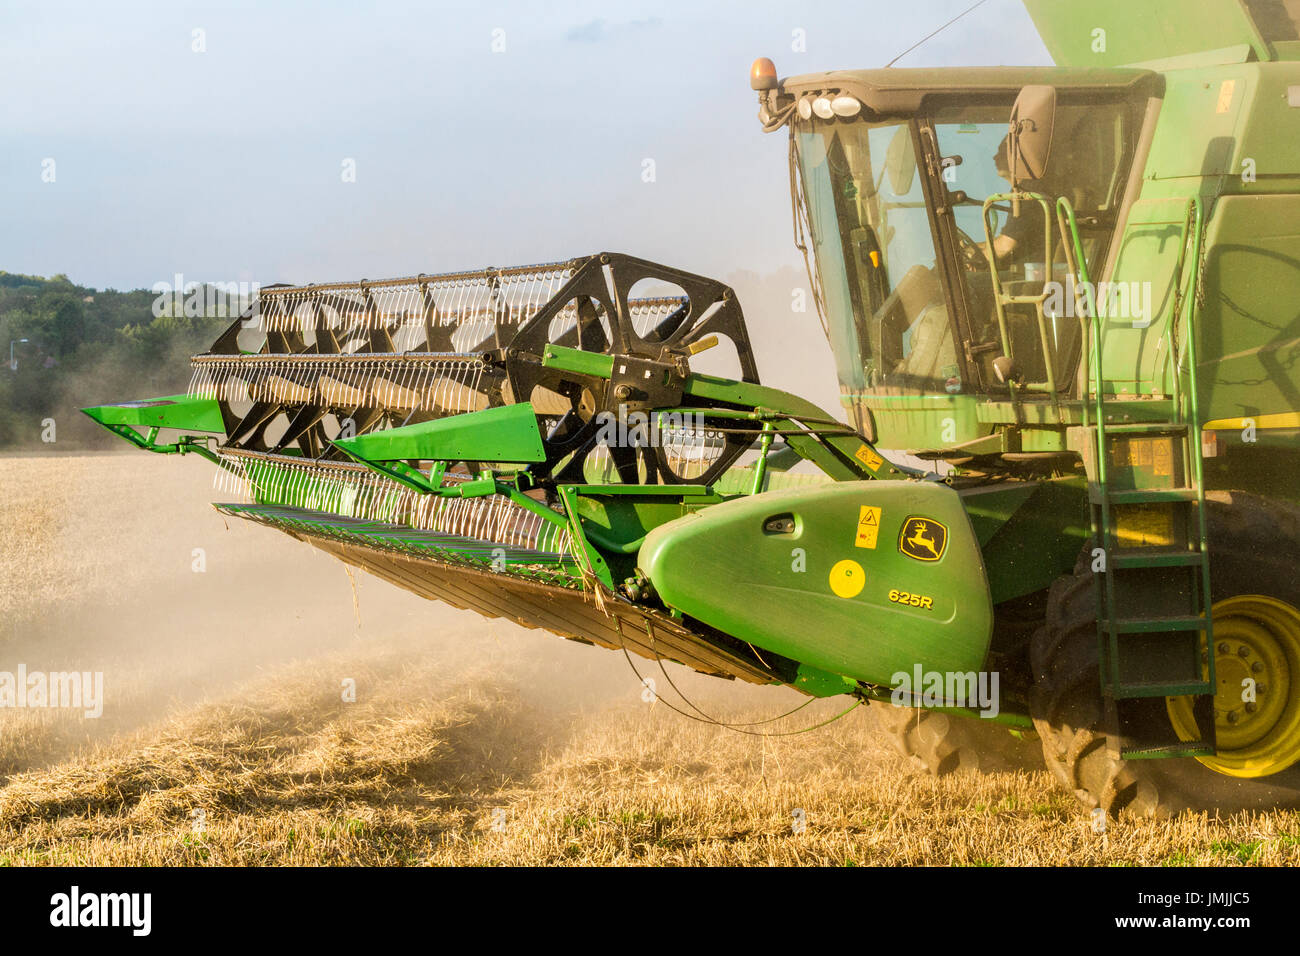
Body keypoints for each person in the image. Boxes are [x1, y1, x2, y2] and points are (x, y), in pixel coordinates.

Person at [988, 135, 1047, 267]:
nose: (995, 157)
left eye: (1002, 152)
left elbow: (1005, 247)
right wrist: (971, 249)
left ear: (1020, 157)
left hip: (1036, 274)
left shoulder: (1028, 192)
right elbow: (1006, 239)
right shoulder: (1024, 189)